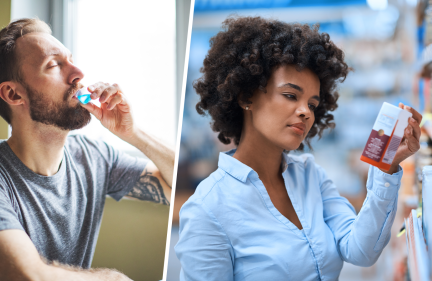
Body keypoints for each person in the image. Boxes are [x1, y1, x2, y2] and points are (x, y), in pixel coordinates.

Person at [175, 16, 421, 281]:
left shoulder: (310, 176)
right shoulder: (207, 209)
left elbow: (361, 250)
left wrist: (387, 164)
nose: (305, 112)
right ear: (246, 96)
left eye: (313, 104)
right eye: (291, 95)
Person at [0, 18, 174, 281]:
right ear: (13, 94)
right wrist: (114, 279)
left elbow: (177, 186)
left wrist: (135, 134)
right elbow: (26, 275)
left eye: (71, 59)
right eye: (54, 64)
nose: (78, 72)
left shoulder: (94, 157)